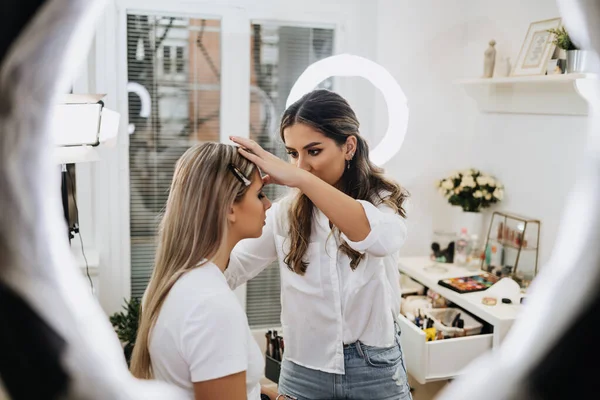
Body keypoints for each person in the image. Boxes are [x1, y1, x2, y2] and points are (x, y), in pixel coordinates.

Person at [227, 89, 412, 400]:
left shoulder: (382, 201)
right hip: (303, 370)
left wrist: (301, 181)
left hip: (375, 368)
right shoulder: (284, 214)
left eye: (313, 151)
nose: (301, 167)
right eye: (293, 154)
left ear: (348, 146)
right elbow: (232, 267)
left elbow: (379, 240)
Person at [129, 142, 281, 400]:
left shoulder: (179, 283)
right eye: (259, 195)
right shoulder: (211, 307)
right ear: (230, 207)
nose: (268, 205)